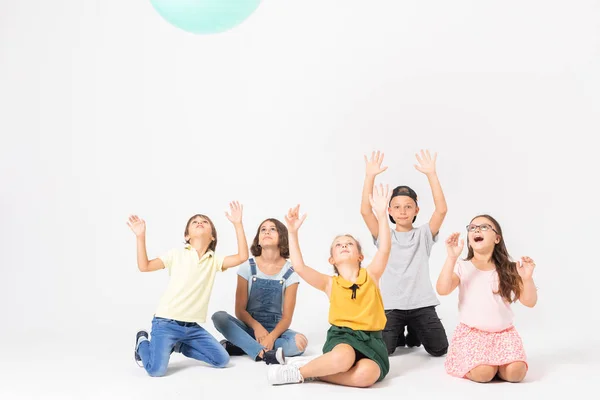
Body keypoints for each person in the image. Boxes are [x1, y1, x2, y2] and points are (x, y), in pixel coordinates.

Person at [267, 184, 392, 387]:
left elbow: (385, 249)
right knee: (344, 358)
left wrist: (381, 214)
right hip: (343, 337)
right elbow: (299, 267)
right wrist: (292, 232)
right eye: (339, 245)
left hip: (372, 340)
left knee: (367, 376)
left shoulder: (371, 275)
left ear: (360, 256)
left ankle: (316, 370)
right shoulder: (330, 283)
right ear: (331, 259)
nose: (344, 245)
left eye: (349, 244)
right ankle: (297, 372)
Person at [129, 201, 249, 377]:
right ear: (187, 236)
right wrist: (140, 236)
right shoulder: (176, 255)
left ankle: (178, 345)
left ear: (212, 237)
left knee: (222, 360)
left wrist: (237, 224)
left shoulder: (214, 260)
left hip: (191, 328)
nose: (200, 222)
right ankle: (142, 342)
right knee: (155, 370)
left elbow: (242, 256)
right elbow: (144, 266)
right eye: (195, 222)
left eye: (205, 222)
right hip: (165, 323)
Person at [360, 150, 449, 356]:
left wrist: (431, 175)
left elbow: (442, 210)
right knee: (386, 350)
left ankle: (415, 330)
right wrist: (370, 176)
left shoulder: (424, 235)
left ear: (416, 210)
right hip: (392, 306)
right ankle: (399, 332)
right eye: (397, 207)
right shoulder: (384, 235)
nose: (403, 211)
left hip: (422, 304)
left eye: (408, 206)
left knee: (439, 349)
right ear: (389, 211)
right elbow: (366, 212)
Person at [436, 215, 537, 383]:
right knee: (483, 374)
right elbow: (443, 289)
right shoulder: (463, 266)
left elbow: (530, 301)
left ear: (497, 238)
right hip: (473, 335)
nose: (477, 229)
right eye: (473, 227)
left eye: (484, 227)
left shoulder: (508, 269)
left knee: (516, 374)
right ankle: (481, 365)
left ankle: (497, 366)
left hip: (504, 335)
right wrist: (451, 258)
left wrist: (527, 279)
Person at [212, 218, 308, 364]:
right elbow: (240, 310)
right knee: (219, 318)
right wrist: (257, 327)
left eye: (272, 229)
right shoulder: (247, 267)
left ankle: (240, 345)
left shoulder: (290, 272)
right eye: (263, 229)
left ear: (282, 238)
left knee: (298, 345)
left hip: (276, 329)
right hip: (249, 326)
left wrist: (272, 336)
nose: (267, 231)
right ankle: (263, 353)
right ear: (258, 240)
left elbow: (287, 318)